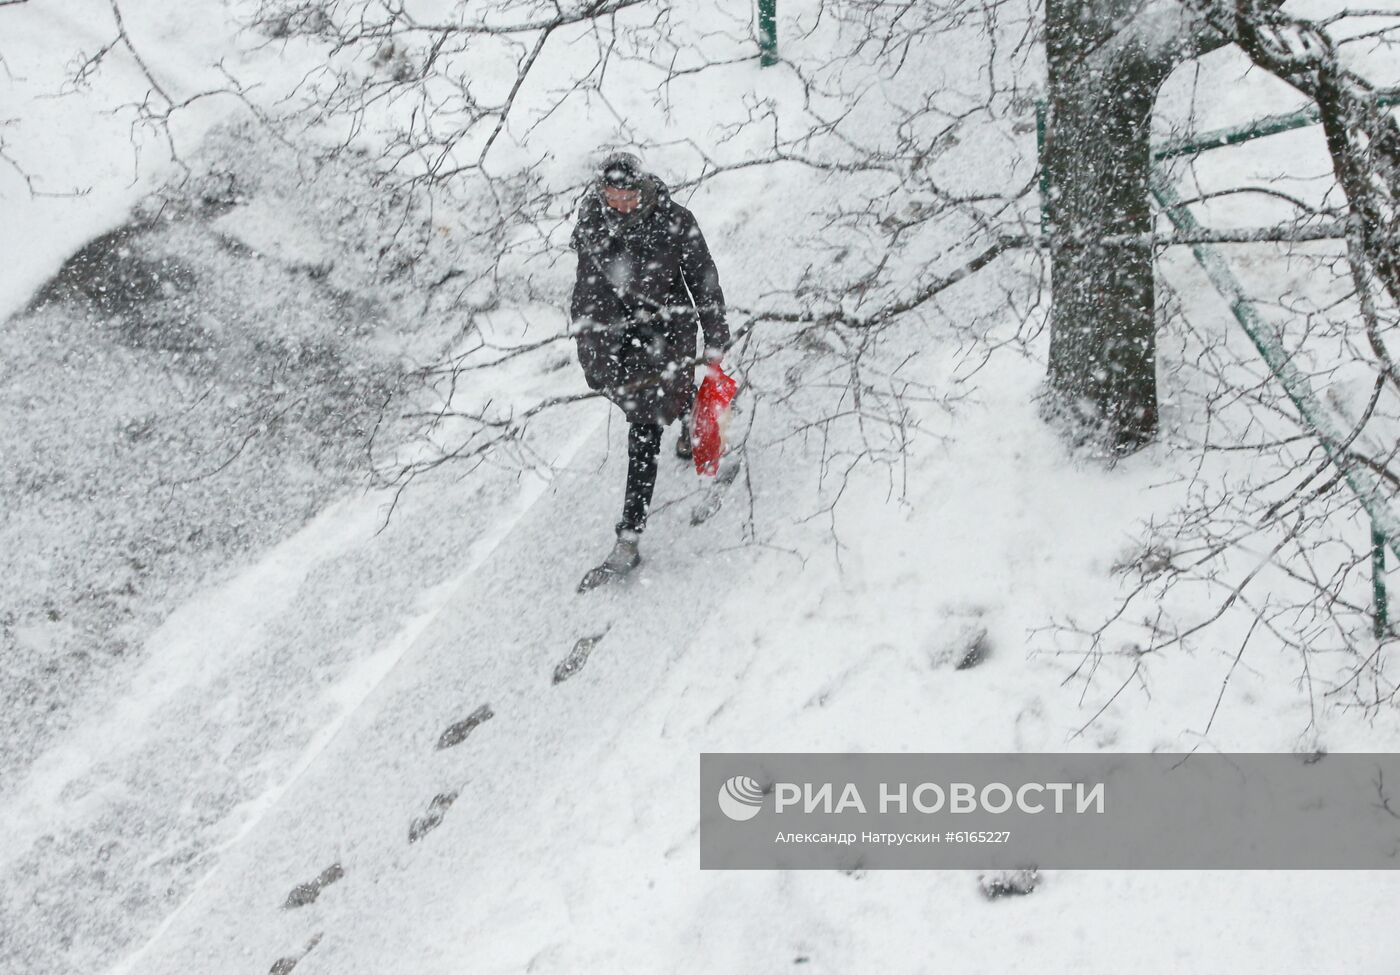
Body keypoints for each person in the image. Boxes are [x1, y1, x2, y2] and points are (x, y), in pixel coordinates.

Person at [569, 151, 729, 590]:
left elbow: (703, 277)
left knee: (644, 434)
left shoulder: (674, 219)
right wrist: (591, 350)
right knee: (648, 416)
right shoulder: (594, 227)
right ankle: (685, 423)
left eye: (627, 194)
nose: (619, 203)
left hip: (671, 331)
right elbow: (587, 293)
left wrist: (714, 333)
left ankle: (628, 538)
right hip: (625, 341)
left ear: (642, 189)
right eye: (611, 194)